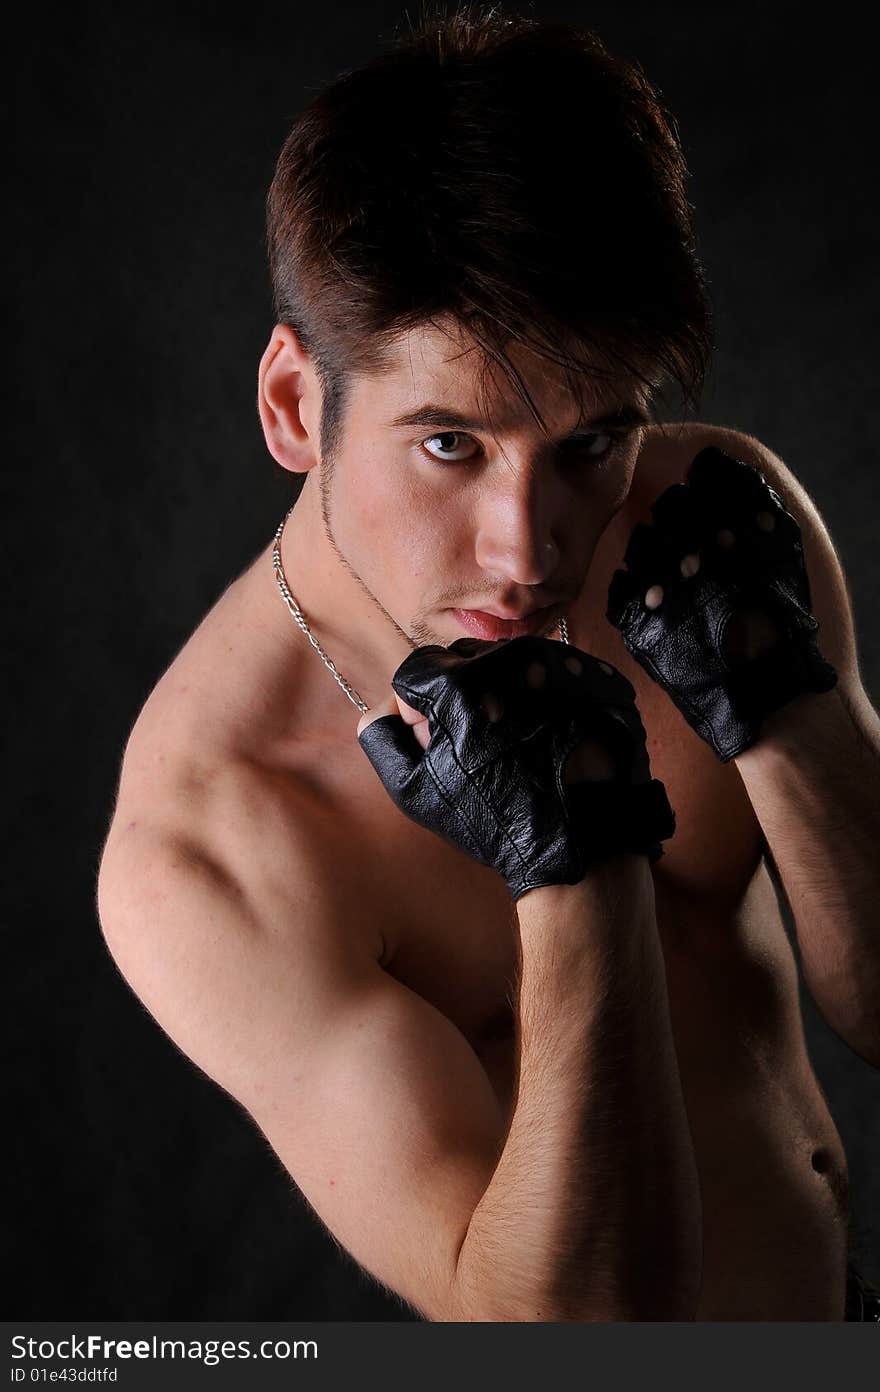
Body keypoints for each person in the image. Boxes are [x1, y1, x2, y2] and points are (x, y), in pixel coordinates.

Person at [96, 6, 880, 1321]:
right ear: (297, 407)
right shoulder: (216, 843)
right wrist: (572, 873)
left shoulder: (702, 518)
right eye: (450, 444)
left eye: (587, 444)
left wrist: (788, 717)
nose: (529, 549)